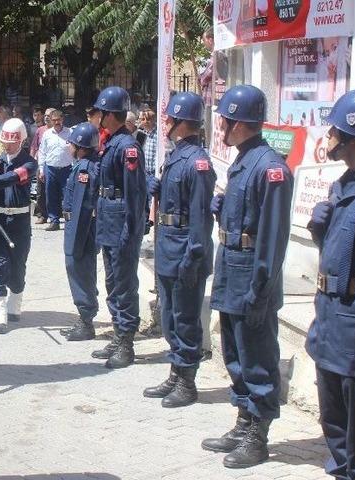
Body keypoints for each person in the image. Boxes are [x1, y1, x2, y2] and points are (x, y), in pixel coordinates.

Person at [201, 85, 293, 468]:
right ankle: (243, 422)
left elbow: (272, 238)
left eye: (225, 120)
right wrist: (221, 209)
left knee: (257, 357)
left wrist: (261, 288)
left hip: (252, 278)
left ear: (239, 122)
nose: (221, 126)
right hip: (231, 269)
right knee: (235, 355)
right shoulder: (244, 160)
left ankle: (259, 434)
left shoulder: (271, 168)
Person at [304, 88, 355, 480]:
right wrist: (319, 232)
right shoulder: (343, 184)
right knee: (334, 419)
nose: (328, 137)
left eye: (335, 130)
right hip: (330, 317)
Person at [142, 92, 216, 408]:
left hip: (185, 250)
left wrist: (194, 255)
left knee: (185, 319)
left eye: (171, 119)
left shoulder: (197, 162)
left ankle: (187, 381)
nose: (166, 124)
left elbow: (201, 216)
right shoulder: (176, 156)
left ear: (183, 123)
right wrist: (158, 188)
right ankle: (176, 372)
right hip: (169, 246)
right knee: (170, 316)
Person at [90, 86, 148, 369]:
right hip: (108, 222)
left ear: (110, 115)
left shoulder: (127, 147)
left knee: (124, 284)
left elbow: (135, 194)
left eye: (101, 112)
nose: (97, 117)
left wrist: (131, 230)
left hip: (121, 224)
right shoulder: (113, 142)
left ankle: (126, 341)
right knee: (113, 282)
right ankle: (118, 333)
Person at [0, 118, 37, 335]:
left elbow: (12, 178)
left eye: (12, 142)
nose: (7, 146)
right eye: (5, 142)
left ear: (21, 141)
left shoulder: (29, 163)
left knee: (18, 265)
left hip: (19, 222)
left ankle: (15, 303)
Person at [59, 122, 101, 342]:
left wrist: (74, 241)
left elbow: (82, 207)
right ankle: (85, 318)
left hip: (79, 229)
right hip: (82, 228)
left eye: (72, 144)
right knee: (82, 271)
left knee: (79, 270)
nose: (69, 147)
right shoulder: (87, 164)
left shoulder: (84, 169)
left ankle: (86, 322)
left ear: (81, 147)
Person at [37, 109, 72, 231]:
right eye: (54, 120)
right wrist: (41, 169)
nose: (57, 122)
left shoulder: (70, 132)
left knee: (67, 196)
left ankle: (70, 222)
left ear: (62, 119)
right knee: (50, 196)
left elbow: (75, 150)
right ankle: (54, 221)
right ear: (51, 121)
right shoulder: (47, 134)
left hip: (66, 169)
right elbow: (42, 152)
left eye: (59, 120)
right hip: (50, 169)